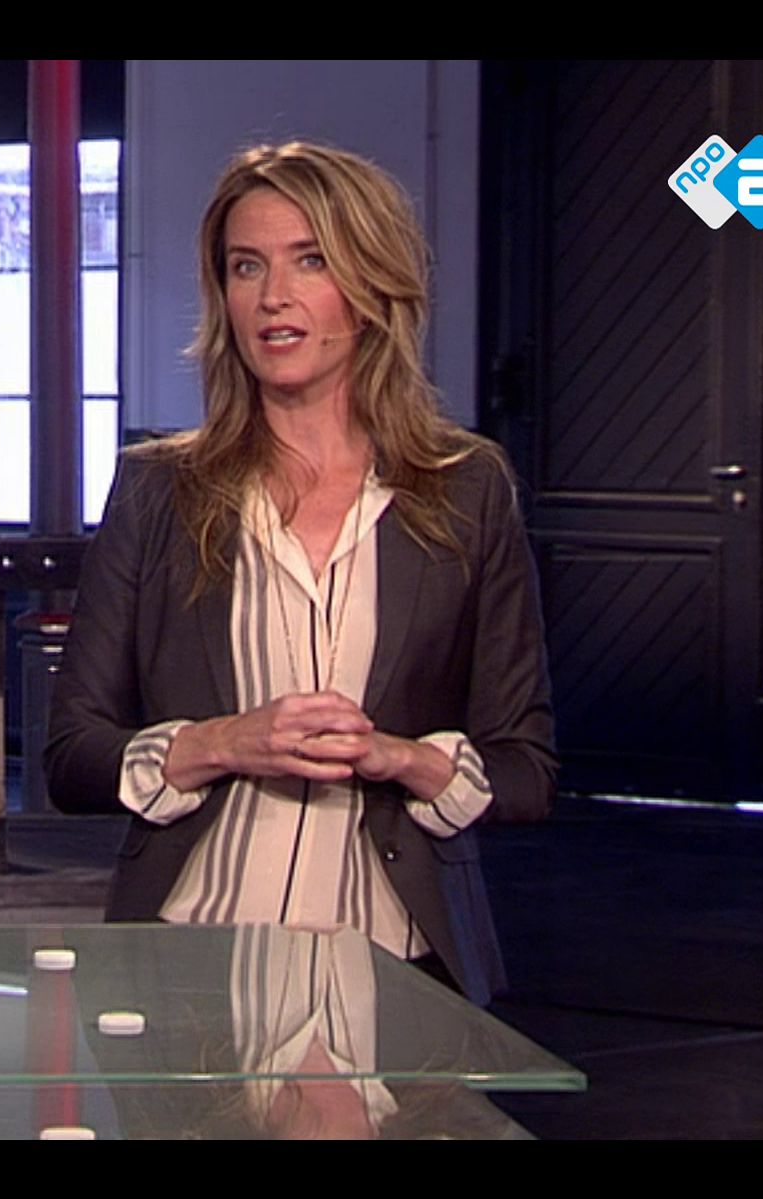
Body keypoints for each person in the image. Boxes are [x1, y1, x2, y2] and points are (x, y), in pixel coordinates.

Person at [45, 142, 556, 1007]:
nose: (272, 296)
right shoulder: (158, 490)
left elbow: (526, 770)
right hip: (188, 970)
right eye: (246, 266)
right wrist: (221, 743)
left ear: (371, 285)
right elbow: (72, 756)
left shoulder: (466, 490)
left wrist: (398, 758)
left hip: (400, 972)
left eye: (309, 261)